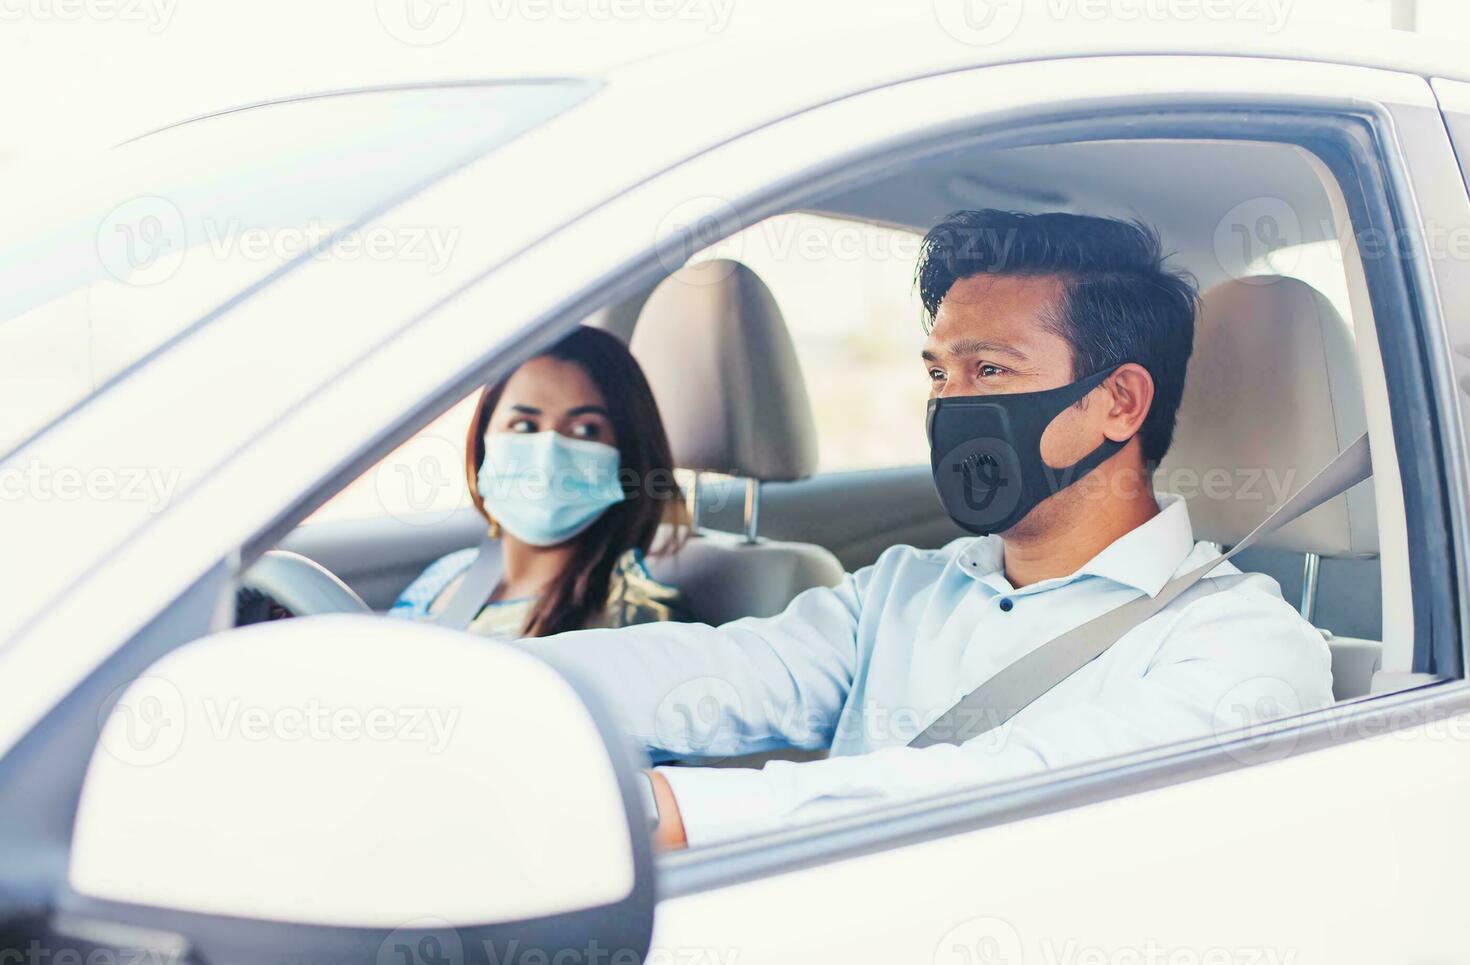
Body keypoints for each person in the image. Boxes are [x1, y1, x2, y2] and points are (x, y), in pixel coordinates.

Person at [522, 211, 1334, 849]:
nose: (949, 405)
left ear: (1119, 402)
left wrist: (670, 812)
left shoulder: (1243, 646)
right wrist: (488, 686)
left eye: (989, 370)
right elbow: (720, 670)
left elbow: (1012, 789)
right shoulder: (909, 587)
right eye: (937, 372)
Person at [391, 326, 687, 638]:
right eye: (524, 425)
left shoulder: (636, 621)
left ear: (627, 455)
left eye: (585, 429)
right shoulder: (449, 573)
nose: (548, 453)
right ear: (483, 441)